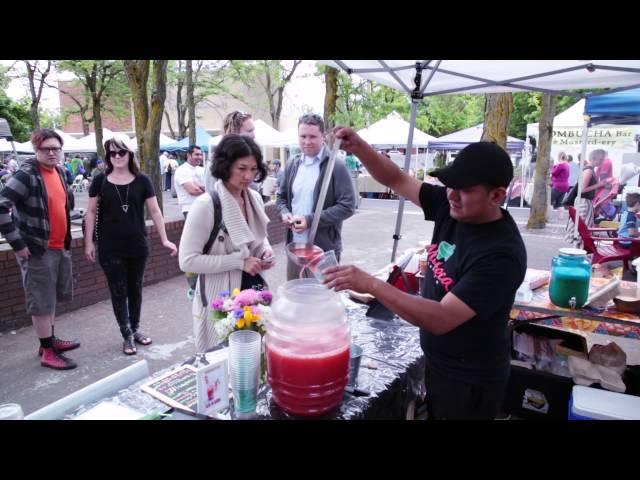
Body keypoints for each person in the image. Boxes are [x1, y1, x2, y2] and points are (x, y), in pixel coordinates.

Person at [323, 127, 527, 420]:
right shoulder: (453, 205)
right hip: (439, 362)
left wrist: (370, 283)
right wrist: (360, 147)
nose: (453, 196)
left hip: (471, 378)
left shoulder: (501, 254)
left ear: (497, 195)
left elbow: (441, 318)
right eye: (450, 186)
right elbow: (397, 179)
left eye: (466, 189)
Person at [179, 134, 274, 352]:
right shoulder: (206, 205)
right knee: (222, 364)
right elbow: (187, 261)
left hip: (253, 294)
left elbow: (258, 239)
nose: (248, 176)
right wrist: (239, 262)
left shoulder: (254, 198)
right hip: (219, 298)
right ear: (226, 165)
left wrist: (266, 252)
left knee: (254, 360)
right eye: (241, 168)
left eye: (253, 169)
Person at [84, 135, 177, 355]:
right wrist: (88, 242)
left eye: (121, 152)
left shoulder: (142, 180)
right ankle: (126, 334)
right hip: (109, 247)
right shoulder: (100, 180)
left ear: (129, 154)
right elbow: (90, 211)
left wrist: (164, 239)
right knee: (118, 291)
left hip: (137, 245)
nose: (116, 157)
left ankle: (135, 329)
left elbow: (155, 211)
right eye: (112, 153)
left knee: (135, 289)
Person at [0, 129, 79, 370]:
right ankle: (47, 351)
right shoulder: (26, 175)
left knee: (51, 298)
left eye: (56, 148)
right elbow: (1, 207)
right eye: (47, 149)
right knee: (41, 302)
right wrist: (19, 244)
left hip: (58, 246)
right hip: (36, 250)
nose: (53, 152)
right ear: (37, 150)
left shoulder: (58, 171)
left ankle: (50, 340)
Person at [276, 114, 356, 280]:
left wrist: (309, 220)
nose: (307, 142)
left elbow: (347, 206)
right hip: (295, 248)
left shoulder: (336, 165)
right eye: (303, 136)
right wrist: (284, 213)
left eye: (312, 136)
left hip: (323, 250)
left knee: (321, 299)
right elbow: (281, 198)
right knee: (296, 296)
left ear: (324, 136)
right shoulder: (292, 163)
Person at [206, 111, 257, 193]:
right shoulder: (216, 161)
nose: (254, 135)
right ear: (235, 132)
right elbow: (213, 197)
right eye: (249, 131)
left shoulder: (249, 159)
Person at [174, 145, 205, 219]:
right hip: (190, 208)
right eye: (197, 154)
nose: (200, 157)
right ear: (188, 155)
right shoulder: (182, 170)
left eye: (201, 155)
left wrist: (198, 185)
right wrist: (206, 189)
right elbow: (193, 190)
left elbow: (212, 187)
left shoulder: (202, 170)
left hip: (205, 207)